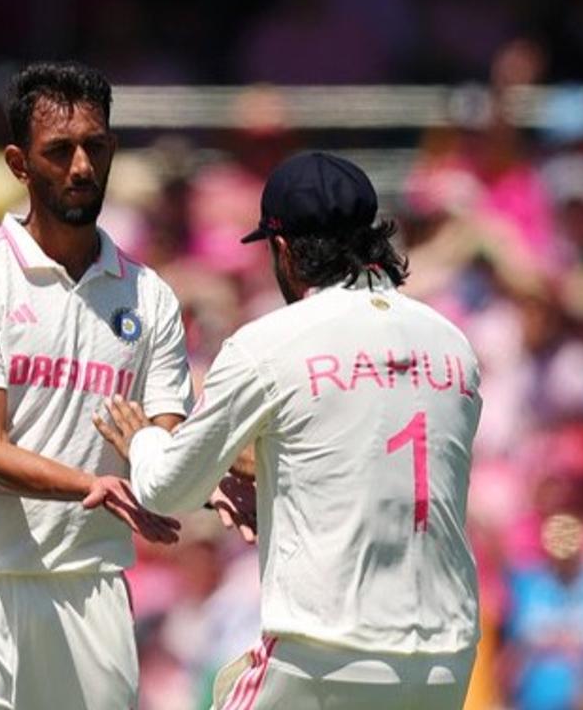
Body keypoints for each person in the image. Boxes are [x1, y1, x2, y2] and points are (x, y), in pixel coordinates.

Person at [94, 152, 485, 709]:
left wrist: (143, 440)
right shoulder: (453, 345)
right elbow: (371, 453)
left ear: (283, 250)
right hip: (447, 657)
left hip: (323, 653)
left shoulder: (269, 343)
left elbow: (166, 490)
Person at [0, 61, 198, 709]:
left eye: (96, 146)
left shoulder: (151, 297)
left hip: (89, 587)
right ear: (18, 163)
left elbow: (162, 449)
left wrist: (216, 472)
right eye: (59, 151)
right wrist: (92, 482)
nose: (82, 167)